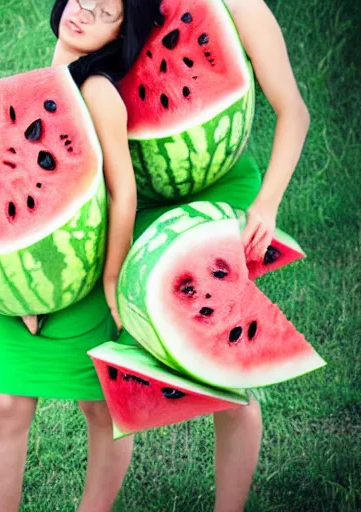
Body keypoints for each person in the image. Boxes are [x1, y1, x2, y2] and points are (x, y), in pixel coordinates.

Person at [120, 0, 310, 511]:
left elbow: (293, 109)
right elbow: (65, 94)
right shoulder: (113, 6)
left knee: (232, 376)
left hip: (226, 194)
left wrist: (266, 204)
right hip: (139, 202)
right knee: (126, 379)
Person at [0, 1, 163, 511]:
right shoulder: (22, 86)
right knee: (9, 406)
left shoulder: (98, 93)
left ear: (121, 34)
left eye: (105, 12)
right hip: (12, 273)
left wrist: (110, 278)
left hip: (83, 279)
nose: (85, 13)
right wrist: (15, 288)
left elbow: (123, 192)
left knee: (100, 409)